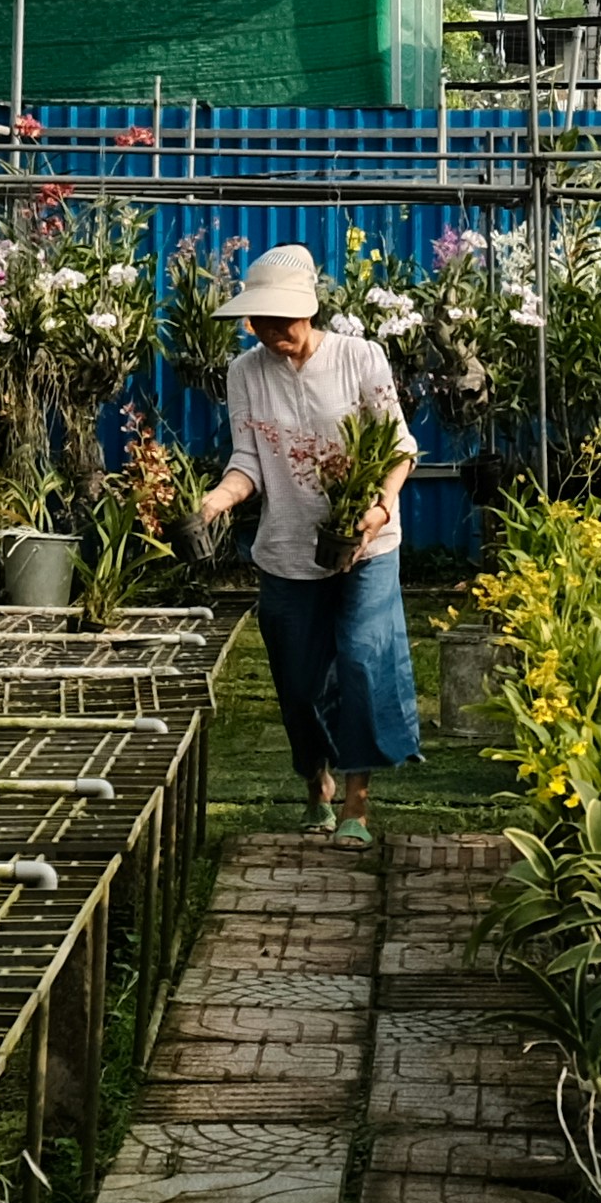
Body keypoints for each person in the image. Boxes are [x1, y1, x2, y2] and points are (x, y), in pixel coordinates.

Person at [191, 243, 418, 834]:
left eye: (280, 318)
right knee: (298, 681)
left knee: (365, 662)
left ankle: (356, 804)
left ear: (309, 310)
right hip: (286, 549)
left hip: (367, 543)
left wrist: (378, 507)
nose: (269, 331)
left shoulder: (361, 358)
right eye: (260, 320)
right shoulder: (244, 373)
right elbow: (248, 461)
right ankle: (315, 778)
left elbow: (398, 448)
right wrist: (215, 501)